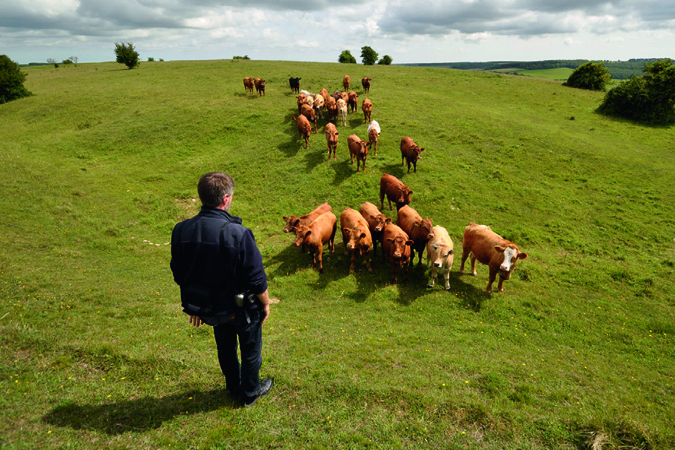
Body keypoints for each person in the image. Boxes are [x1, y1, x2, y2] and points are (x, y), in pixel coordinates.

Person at [170, 171, 277, 407]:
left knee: (225, 348)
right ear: (226, 199)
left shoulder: (180, 230)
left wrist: (198, 304)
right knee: (250, 351)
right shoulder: (238, 233)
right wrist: (266, 302)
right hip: (240, 309)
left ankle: (233, 387)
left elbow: (180, 273)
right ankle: (249, 393)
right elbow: (257, 278)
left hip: (210, 309)